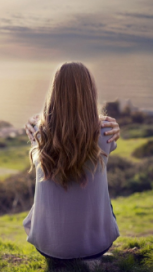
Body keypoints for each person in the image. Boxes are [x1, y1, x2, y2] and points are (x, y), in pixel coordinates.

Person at [22, 62, 120, 268]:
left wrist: (34, 121)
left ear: (54, 92)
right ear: (90, 92)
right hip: (95, 247)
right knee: (106, 203)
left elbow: (43, 123)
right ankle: (91, 257)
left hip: (47, 246)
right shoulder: (105, 133)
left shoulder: (38, 134)